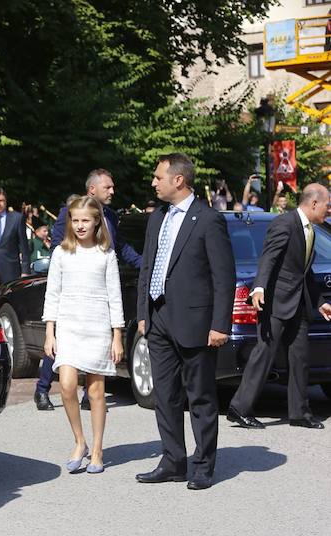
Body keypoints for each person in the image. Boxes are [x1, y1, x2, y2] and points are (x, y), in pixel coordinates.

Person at [135, 152, 235, 491]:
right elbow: (147, 267)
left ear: (178, 179)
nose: (153, 182)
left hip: (195, 322)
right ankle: (173, 461)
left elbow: (224, 276)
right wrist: (143, 315)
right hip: (159, 317)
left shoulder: (208, 220)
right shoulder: (156, 218)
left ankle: (203, 464)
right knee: (165, 395)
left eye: (158, 176)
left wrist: (221, 324)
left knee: (201, 396)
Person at [35, 169, 142, 411]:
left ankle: (88, 396)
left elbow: (122, 247)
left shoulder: (112, 217)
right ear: (92, 189)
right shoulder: (70, 213)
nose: (113, 191)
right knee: (60, 342)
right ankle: (42, 389)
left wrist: (145, 263)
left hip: (100, 288)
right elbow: (56, 248)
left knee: (96, 344)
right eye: (108, 187)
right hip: (71, 289)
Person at [227, 183, 331, 430]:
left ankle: (299, 413)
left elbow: (303, 273)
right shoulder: (285, 223)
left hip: (299, 304)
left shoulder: (311, 231)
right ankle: (239, 408)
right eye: (328, 205)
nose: (329, 210)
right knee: (264, 355)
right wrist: (259, 287)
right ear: (314, 203)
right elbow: (269, 257)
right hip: (275, 302)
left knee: (300, 358)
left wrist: (321, 303)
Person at [43, 196, 124, 474]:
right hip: (68, 326)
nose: (79, 226)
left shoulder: (106, 254)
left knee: (96, 390)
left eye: (85, 220)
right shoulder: (61, 253)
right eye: (75, 220)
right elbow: (52, 293)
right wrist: (49, 332)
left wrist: (117, 335)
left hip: (97, 326)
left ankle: (98, 449)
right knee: (66, 385)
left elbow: (115, 296)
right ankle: (80, 441)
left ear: (96, 221)